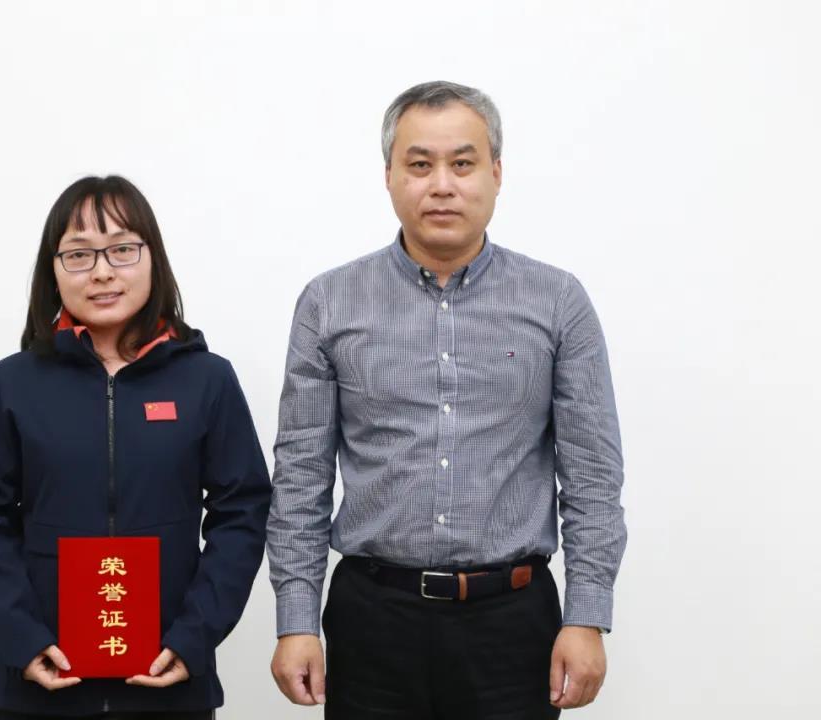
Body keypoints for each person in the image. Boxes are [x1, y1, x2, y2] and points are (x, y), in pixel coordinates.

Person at [267, 81, 627, 718]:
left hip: (513, 623)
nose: (441, 185)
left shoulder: (557, 301)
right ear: (388, 175)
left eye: (462, 163)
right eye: (419, 164)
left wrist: (587, 615)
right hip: (372, 618)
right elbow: (301, 474)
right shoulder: (329, 302)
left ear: (496, 173)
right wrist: (296, 619)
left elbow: (593, 475)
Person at [0, 175, 270, 719]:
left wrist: (195, 636)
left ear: (153, 259)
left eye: (122, 249)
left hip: (168, 682)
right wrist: (20, 638)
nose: (102, 271)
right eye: (79, 254)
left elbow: (242, 512)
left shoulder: (207, 380)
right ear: (53, 271)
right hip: (41, 683)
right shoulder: (14, 382)